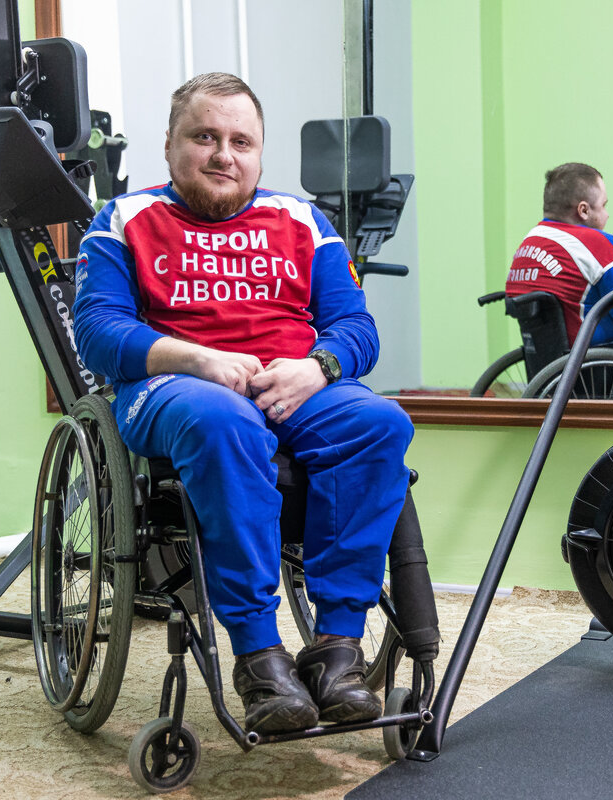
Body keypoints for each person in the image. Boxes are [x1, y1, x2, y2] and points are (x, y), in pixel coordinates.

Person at [73, 72, 413, 734]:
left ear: (260, 152)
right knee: (221, 418)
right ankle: (259, 655)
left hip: (293, 385)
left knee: (379, 423)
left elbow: (357, 328)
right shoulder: (123, 220)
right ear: (170, 145)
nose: (225, 155)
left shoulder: (303, 221)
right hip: (176, 391)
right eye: (205, 137)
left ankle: (337, 652)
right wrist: (194, 358)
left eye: (241, 141)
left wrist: (317, 368)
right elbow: (99, 331)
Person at [505, 162, 613, 374]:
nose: (607, 214)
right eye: (603, 205)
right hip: (598, 364)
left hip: (549, 363)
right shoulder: (597, 244)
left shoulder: (528, 244)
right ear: (583, 210)